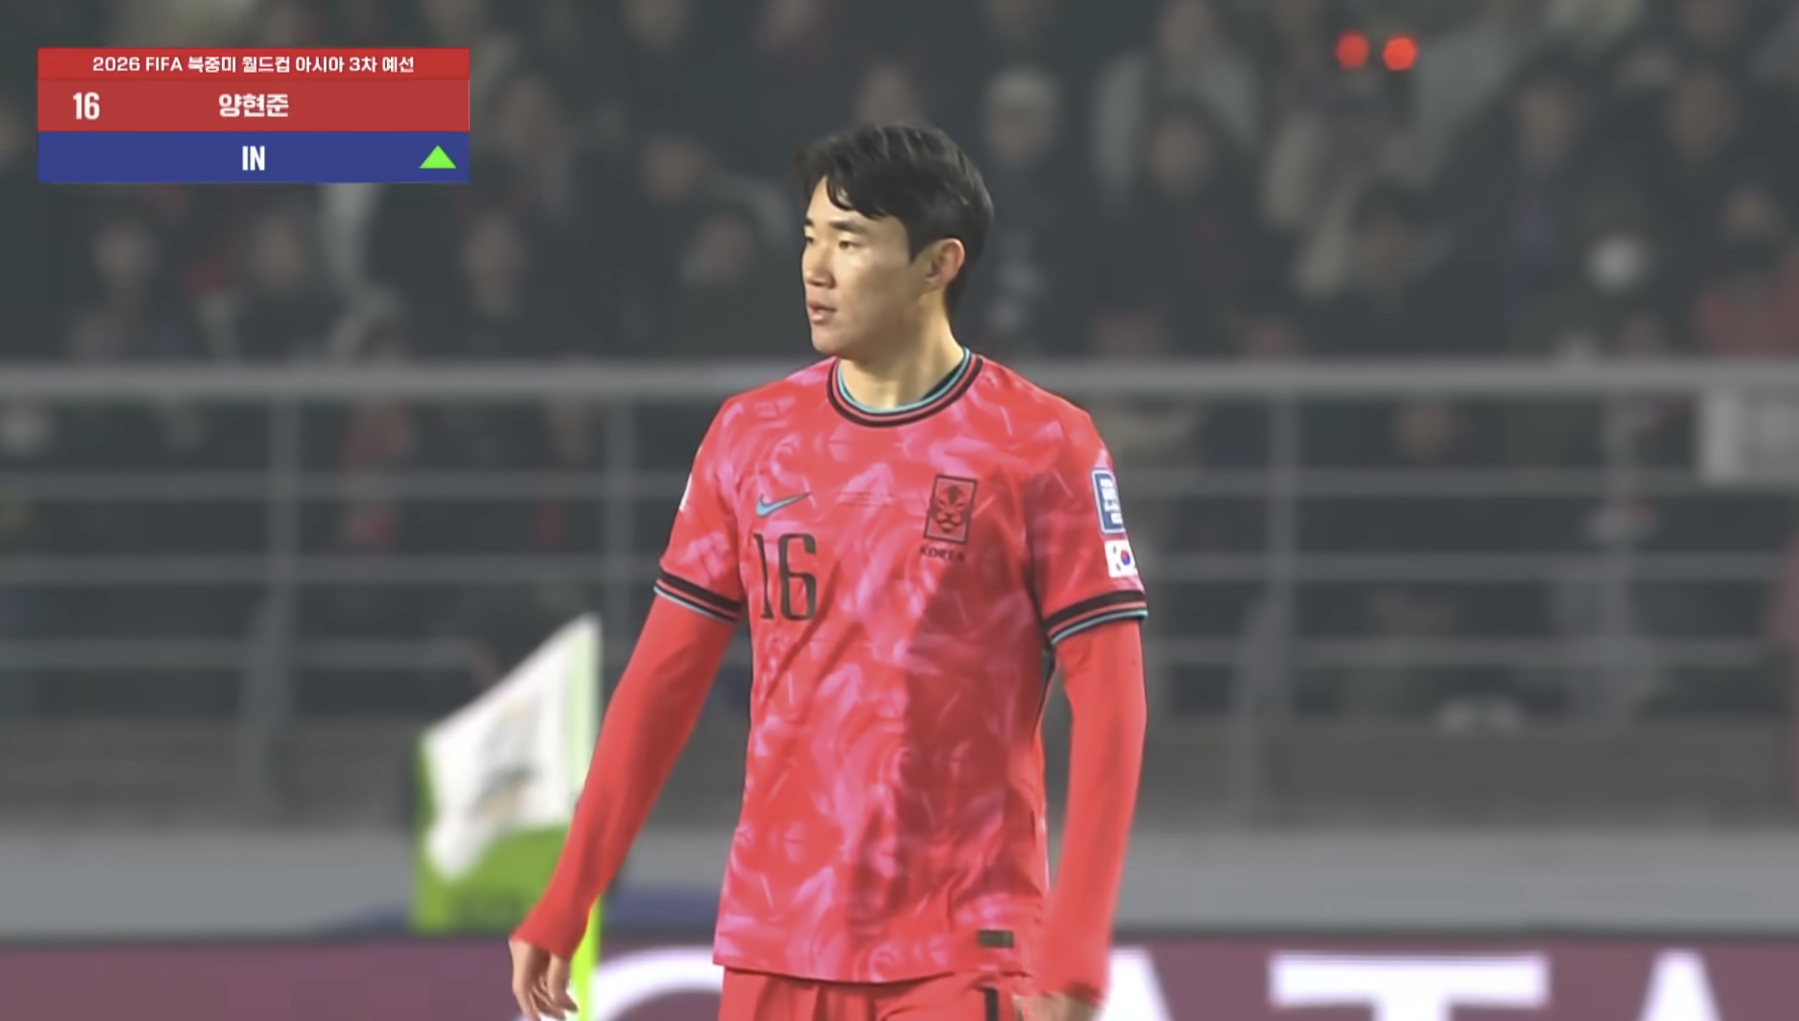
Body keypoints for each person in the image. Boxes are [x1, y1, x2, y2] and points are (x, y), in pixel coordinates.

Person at [507, 122, 1149, 1021]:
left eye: (849, 242)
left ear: (938, 264)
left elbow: (1112, 700)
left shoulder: (1041, 442)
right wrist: (569, 891)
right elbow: (660, 680)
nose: (814, 267)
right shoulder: (749, 436)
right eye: (810, 237)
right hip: (775, 938)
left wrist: (1074, 951)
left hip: (961, 948)